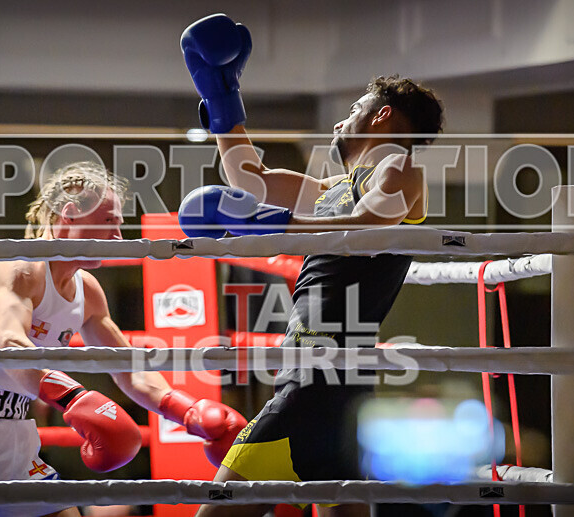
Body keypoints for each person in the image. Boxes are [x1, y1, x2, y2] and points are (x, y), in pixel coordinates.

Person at [178, 14, 443, 517]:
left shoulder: (399, 166)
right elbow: (248, 180)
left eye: (354, 108)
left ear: (382, 117)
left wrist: (265, 224)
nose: (341, 121)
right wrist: (221, 95)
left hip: (315, 386)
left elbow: (363, 231)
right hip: (333, 386)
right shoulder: (330, 191)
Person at [0, 162, 247, 517]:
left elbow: (128, 368)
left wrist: (185, 411)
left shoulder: (89, 292)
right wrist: (74, 397)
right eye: (109, 221)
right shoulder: (18, 266)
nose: (118, 235)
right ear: (69, 214)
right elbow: (9, 343)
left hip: (18, 436)